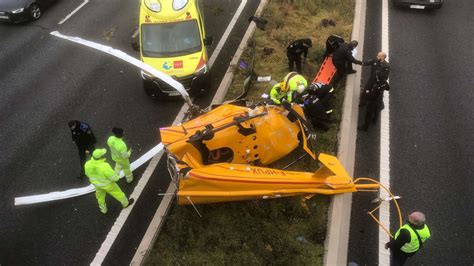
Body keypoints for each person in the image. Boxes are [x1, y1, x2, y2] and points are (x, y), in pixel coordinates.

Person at [84, 148, 134, 214]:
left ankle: (103, 210)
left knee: (100, 197)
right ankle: (126, 203)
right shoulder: (104, 166)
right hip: (108, 185)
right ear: (101, 157)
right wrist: (117, 177)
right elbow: (115, 178)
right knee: (118, 193)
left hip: (97, 185)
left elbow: (87, 174)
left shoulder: (87, 164)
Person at [358, 52, 391, 131]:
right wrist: (358, 62)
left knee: (370, 109)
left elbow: (385, 77)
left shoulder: (386, 66)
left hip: (374, 91)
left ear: (383, 57)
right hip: (371, 82)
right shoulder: (375, 61)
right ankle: (364, 104)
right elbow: (366, 63)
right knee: (367, 96)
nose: (376, 56)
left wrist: (370, 92)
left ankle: (366, 126)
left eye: (378, 56)